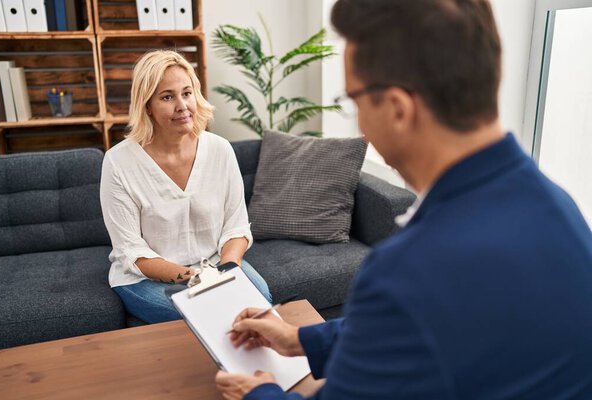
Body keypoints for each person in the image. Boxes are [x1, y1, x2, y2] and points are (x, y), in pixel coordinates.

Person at [215, 0, 592, 399]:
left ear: (397, 108)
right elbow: (434, 325)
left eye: (355, 101)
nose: (359, 122)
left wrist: (259, 394)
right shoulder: (558, 207)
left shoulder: (408, 271)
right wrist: (299, 340)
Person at [100, 50, 272, 324]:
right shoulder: (119, 162)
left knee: (259, 301)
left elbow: (236, 226)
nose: (182, 105)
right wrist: (196, 279)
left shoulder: (220, 150)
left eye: (187, 93)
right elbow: (131, 250)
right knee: (206, 315)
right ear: (147, 107)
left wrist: (227, 270)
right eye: (167, 97)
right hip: (144, 278)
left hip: (215, 265)